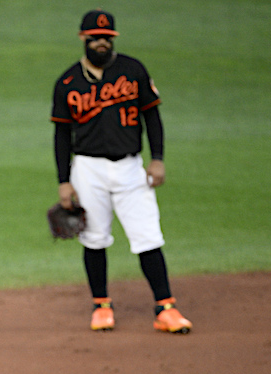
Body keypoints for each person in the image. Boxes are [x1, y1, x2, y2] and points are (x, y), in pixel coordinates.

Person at [51, 9, 192, 334]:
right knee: (94, 239)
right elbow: (61, 134)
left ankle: (165, 307)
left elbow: (152, 117)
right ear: (83, 39)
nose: (102, 42)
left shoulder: (133, 70)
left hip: (131, 168)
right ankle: (101, 305)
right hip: (87, 168)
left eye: (107, 38)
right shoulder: (68, 82)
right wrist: (64, 181)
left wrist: (157, 158)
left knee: (148, 237)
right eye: (96, 37)